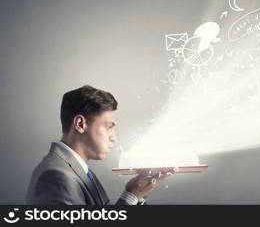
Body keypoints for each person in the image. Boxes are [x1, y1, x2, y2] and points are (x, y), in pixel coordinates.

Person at [26, 85, 172, 205]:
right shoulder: (58, 176)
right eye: (109, 126)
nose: (113, 138)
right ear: (80, 124)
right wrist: (132, 195)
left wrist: (136, 193)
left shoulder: (76, 170)